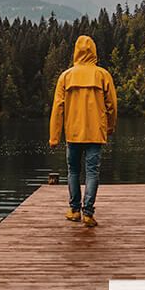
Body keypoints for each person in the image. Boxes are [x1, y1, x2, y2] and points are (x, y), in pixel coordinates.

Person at [48, 35, 117, 227]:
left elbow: (57, 108)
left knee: (73, 171)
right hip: (95, 133)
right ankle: (88, 213)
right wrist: (110, 126)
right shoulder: (103, 75)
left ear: (76, 51)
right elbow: (112, 106)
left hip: (73, 133)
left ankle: (74, 210)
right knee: (92, 172)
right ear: (93, 51)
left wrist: (54, 137)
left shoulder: (66, 76)